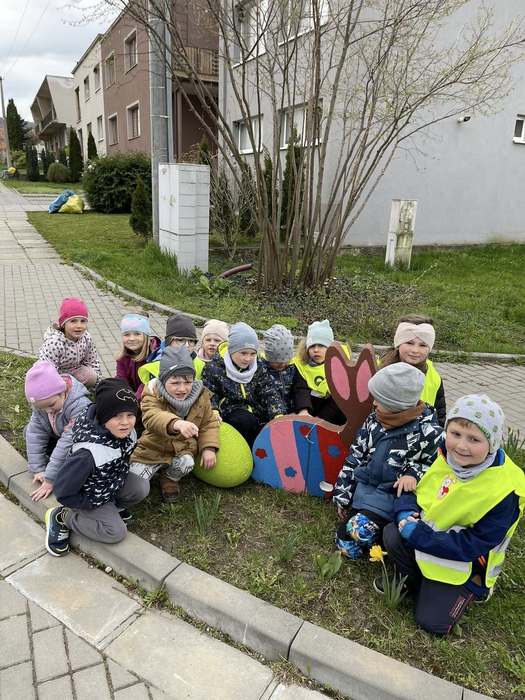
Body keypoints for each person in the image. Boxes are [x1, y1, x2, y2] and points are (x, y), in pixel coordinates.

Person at [381, 394, 525, 635]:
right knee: (391, 533)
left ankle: (473, 589)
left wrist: (418, 535)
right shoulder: (445, 457)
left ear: (493, 444)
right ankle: (418, 580)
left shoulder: (505, 489)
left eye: (474, 439)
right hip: (431, 541)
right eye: (455, 433)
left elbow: (474, 545)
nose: (461, 446)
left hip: (465, 563)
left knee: (432, 623)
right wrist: (406, 511)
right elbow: (419, 490)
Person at [333, 362, 443, 559]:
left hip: (393, 497)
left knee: (358, 533)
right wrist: (343, 493)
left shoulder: (429, 433)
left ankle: (384, 535)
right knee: (345, 542)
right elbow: (355, 456)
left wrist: (414, 474)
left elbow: (439, 467)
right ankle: (375, 534)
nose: (374, 403)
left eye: (380, 400)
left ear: (398, 405)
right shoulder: (373, 420)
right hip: (365, 491)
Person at [45, 378, 148, 555]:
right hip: (89, 495)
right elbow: (62, 490)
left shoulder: (125, 431)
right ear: (103, 416)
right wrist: (88, 503)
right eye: (117, 416)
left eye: (130, 415)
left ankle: (111, 508)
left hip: (109, 483)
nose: (125, 422)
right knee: (115, 532)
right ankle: (64, 517)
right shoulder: (87, 454)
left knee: (141, 487)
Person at [130, 346, 220, 502]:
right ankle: (148, 472)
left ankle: (169, 478)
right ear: (163, 380)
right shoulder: (152, 393)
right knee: (134, 484)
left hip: (182, 449)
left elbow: (208, 423)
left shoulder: (201, 396)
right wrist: (176, 423)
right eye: (175, 382)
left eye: (188, 382)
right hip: (152, 449)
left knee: (187, 463)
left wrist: (209, 448)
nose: (182, 388)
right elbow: (152, 416)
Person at [202, 322, 286, 446]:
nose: (248, 359)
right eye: (243, 353)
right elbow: (208, 393)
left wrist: (278, 413)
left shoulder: (258, 367)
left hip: (256, 413)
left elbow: (268, 391)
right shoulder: (214, 368)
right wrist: (213, 410)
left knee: (272, 428)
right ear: (232, 350)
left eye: (252, 354)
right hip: (229, 414)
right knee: (244, 420)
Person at [24, 360, 91, 502]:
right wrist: (38, 469)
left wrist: (50, 478)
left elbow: (67, 442)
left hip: (77, 442)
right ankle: (53, 462)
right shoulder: (44, 403)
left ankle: (60, 469)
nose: (48, 410)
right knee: (29, 431)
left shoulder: (79, 406)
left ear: (62, 392)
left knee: (75, 456)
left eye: (51, 405)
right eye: (42, 408)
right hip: (58, 435)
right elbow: (35, 433)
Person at [380, 314, 446, 426]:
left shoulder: (434, 378)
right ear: (398, 344)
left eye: (423, 345)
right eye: (409, 343)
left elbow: (440, 416)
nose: (415, 350)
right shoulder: (379, 370)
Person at [292, 319, 350, 424]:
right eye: (312, 346)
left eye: (321, 346)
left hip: (331, 413)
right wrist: (303, 410)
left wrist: (321, 420)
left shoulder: (339, 366)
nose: (316, 350)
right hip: (309, 408)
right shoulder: (302, 366)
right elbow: (300, 389)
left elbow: (339, 397)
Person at [38, 297, 101, 388]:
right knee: (57, 386)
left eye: (83, 321)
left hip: (75, 370)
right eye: (73, 321)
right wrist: (56, 385)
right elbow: (48, 369)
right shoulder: (54, 343)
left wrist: (98, 384)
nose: (79, 326)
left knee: (92, 376)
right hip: (57, 373)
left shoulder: (86, 338)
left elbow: (92, 360)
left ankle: (77, 388)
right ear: (63, 324)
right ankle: (64, 391)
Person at [137, 313, 201, 384]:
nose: (187, 345)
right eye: (180, 340)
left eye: (191, 341)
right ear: (169, 342)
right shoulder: (156, 367)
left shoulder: (200, 363)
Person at [115, 313, 160, 399]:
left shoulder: (155, 356)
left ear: (146, 336)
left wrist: (133, 400)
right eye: (127, 334)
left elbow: (147, 385)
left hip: (151, 395)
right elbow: (121, 380)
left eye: (137, 334)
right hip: (132, 395)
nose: (132, 338)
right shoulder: (122, 357)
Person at [261, 324, 296, 414]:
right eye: (278, 362)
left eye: (286, 361)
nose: (283, 365)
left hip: (291, 413)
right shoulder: (262, 370)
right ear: (269, 357)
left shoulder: (292, 369)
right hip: (269, 414)